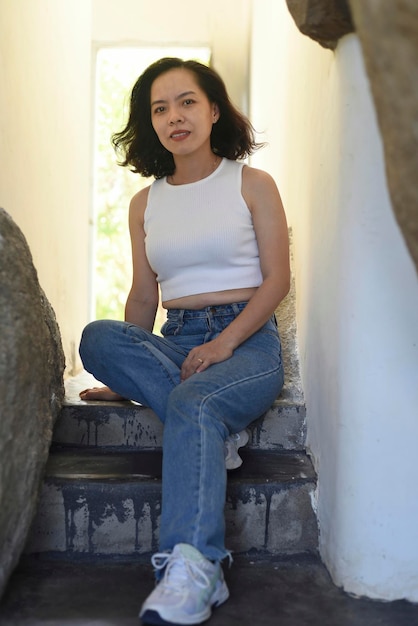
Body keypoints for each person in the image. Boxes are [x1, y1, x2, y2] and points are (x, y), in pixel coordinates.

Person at [79, 57, 290, 626]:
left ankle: (193, 565)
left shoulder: (252, 183)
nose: (175, 116)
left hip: (247, 343)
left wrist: (224, 346)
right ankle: (208, 427)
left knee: (194, 401)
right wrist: (128, 374)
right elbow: (144, 296)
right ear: (150, 123)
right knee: (98, 337)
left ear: (214, 109)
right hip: (177, 340)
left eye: (188, 101)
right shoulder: (145, 204)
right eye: (160, 108)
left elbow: (277, 281)